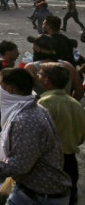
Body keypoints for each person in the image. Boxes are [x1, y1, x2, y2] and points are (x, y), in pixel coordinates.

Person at [0, 67, 71, 204]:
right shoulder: (32, 108)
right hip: (34, 191)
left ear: (10, 90)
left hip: (40, 197)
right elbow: (30, 146)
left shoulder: (25, 119)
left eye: (1, 85)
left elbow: (19, 166)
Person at [37, 63, 85, 205]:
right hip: (70, 161)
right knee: (68, 196)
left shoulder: (45, 102)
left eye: (40, 75)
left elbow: (36, 134)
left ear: (47, 81)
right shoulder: (75, 104)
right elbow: (81, 136)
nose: (37, 77)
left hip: (50, 162)